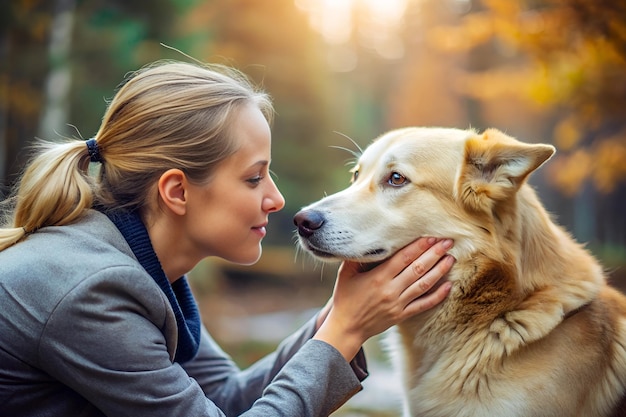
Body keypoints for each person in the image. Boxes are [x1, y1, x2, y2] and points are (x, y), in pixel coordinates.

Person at [0, 60, 455, 417]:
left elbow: (221, 397)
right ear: (177, 191)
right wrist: (346, 330)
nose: (277, 200)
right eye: (254, 178)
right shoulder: (91, 292)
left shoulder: (141, 265)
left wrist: (339, 316)